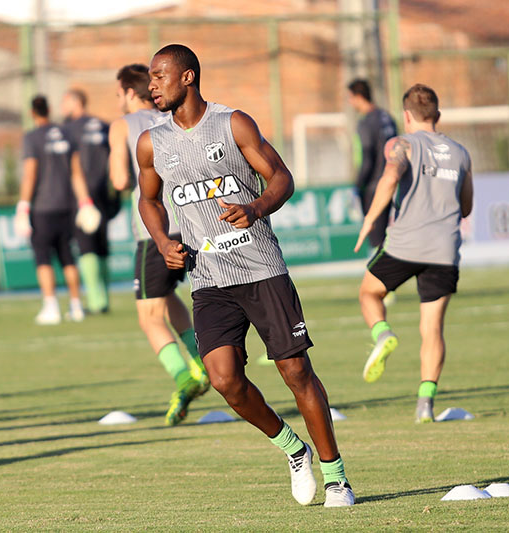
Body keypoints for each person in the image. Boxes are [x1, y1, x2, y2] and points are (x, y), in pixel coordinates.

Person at [137, 44, 354, 507]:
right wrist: (161, 242)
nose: (151, 85)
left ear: (188, 77)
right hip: (208, 277)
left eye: (159, 76)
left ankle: (336, 477)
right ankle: (293, 450)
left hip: (261, 270)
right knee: (224, 380)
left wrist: (255, 207)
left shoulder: (233, 123)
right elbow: (149, 200)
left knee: (296, 370)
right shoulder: (152, 143)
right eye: (149, 78)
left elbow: (281, 177)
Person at [354, 83, 474, 423]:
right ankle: (425, 404)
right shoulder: (461, 153)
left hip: (405, 245)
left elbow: (390, 175)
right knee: (432, 328)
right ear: (437, 115)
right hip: (444, 250)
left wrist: (369, 220)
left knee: (368, 293)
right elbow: (466, 207)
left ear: (406, 116)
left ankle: (384, 334)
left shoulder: (402, 144)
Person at [109, 63, 209, 426]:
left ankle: (186, 379)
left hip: (156, 232)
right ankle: (201, 362)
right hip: (194, 224)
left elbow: (121, 179)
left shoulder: (122, 126)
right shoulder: (172, 116)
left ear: (128, 93)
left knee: (148, 317)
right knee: (166, 298)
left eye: (118, 94)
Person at [14, 95, 97, 325]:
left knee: (43, 259)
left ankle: (51, 307)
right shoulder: (66, 134)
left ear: (32, 113)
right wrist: (85, 202)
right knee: (68, 256)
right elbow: (77, 172)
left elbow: (30, 174)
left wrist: (23, 206)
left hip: (42, 208)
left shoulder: (32, 138)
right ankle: (76, 305)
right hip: (67, 206)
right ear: (49, 110)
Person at [62, 88, 113, 314]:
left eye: (65, 102)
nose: (63, 107)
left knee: (86, 246)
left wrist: (83, 200)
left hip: (81, 195)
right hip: (103, 192)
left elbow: (73, 167)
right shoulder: (104, 126)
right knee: (102, 245)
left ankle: (95, 301)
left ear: (75, 102)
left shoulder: (69, 129)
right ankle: (104, 299)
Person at [348, 78, 397, 249]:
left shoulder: (366, 122)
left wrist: (357, 187)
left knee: (376, 242)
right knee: (384, 236)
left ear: (359, 97)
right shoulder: (387, 118)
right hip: (391, 183)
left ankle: (381, 275)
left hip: (373, 187)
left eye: (351, 97)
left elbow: (367, 157)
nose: (350, 102)